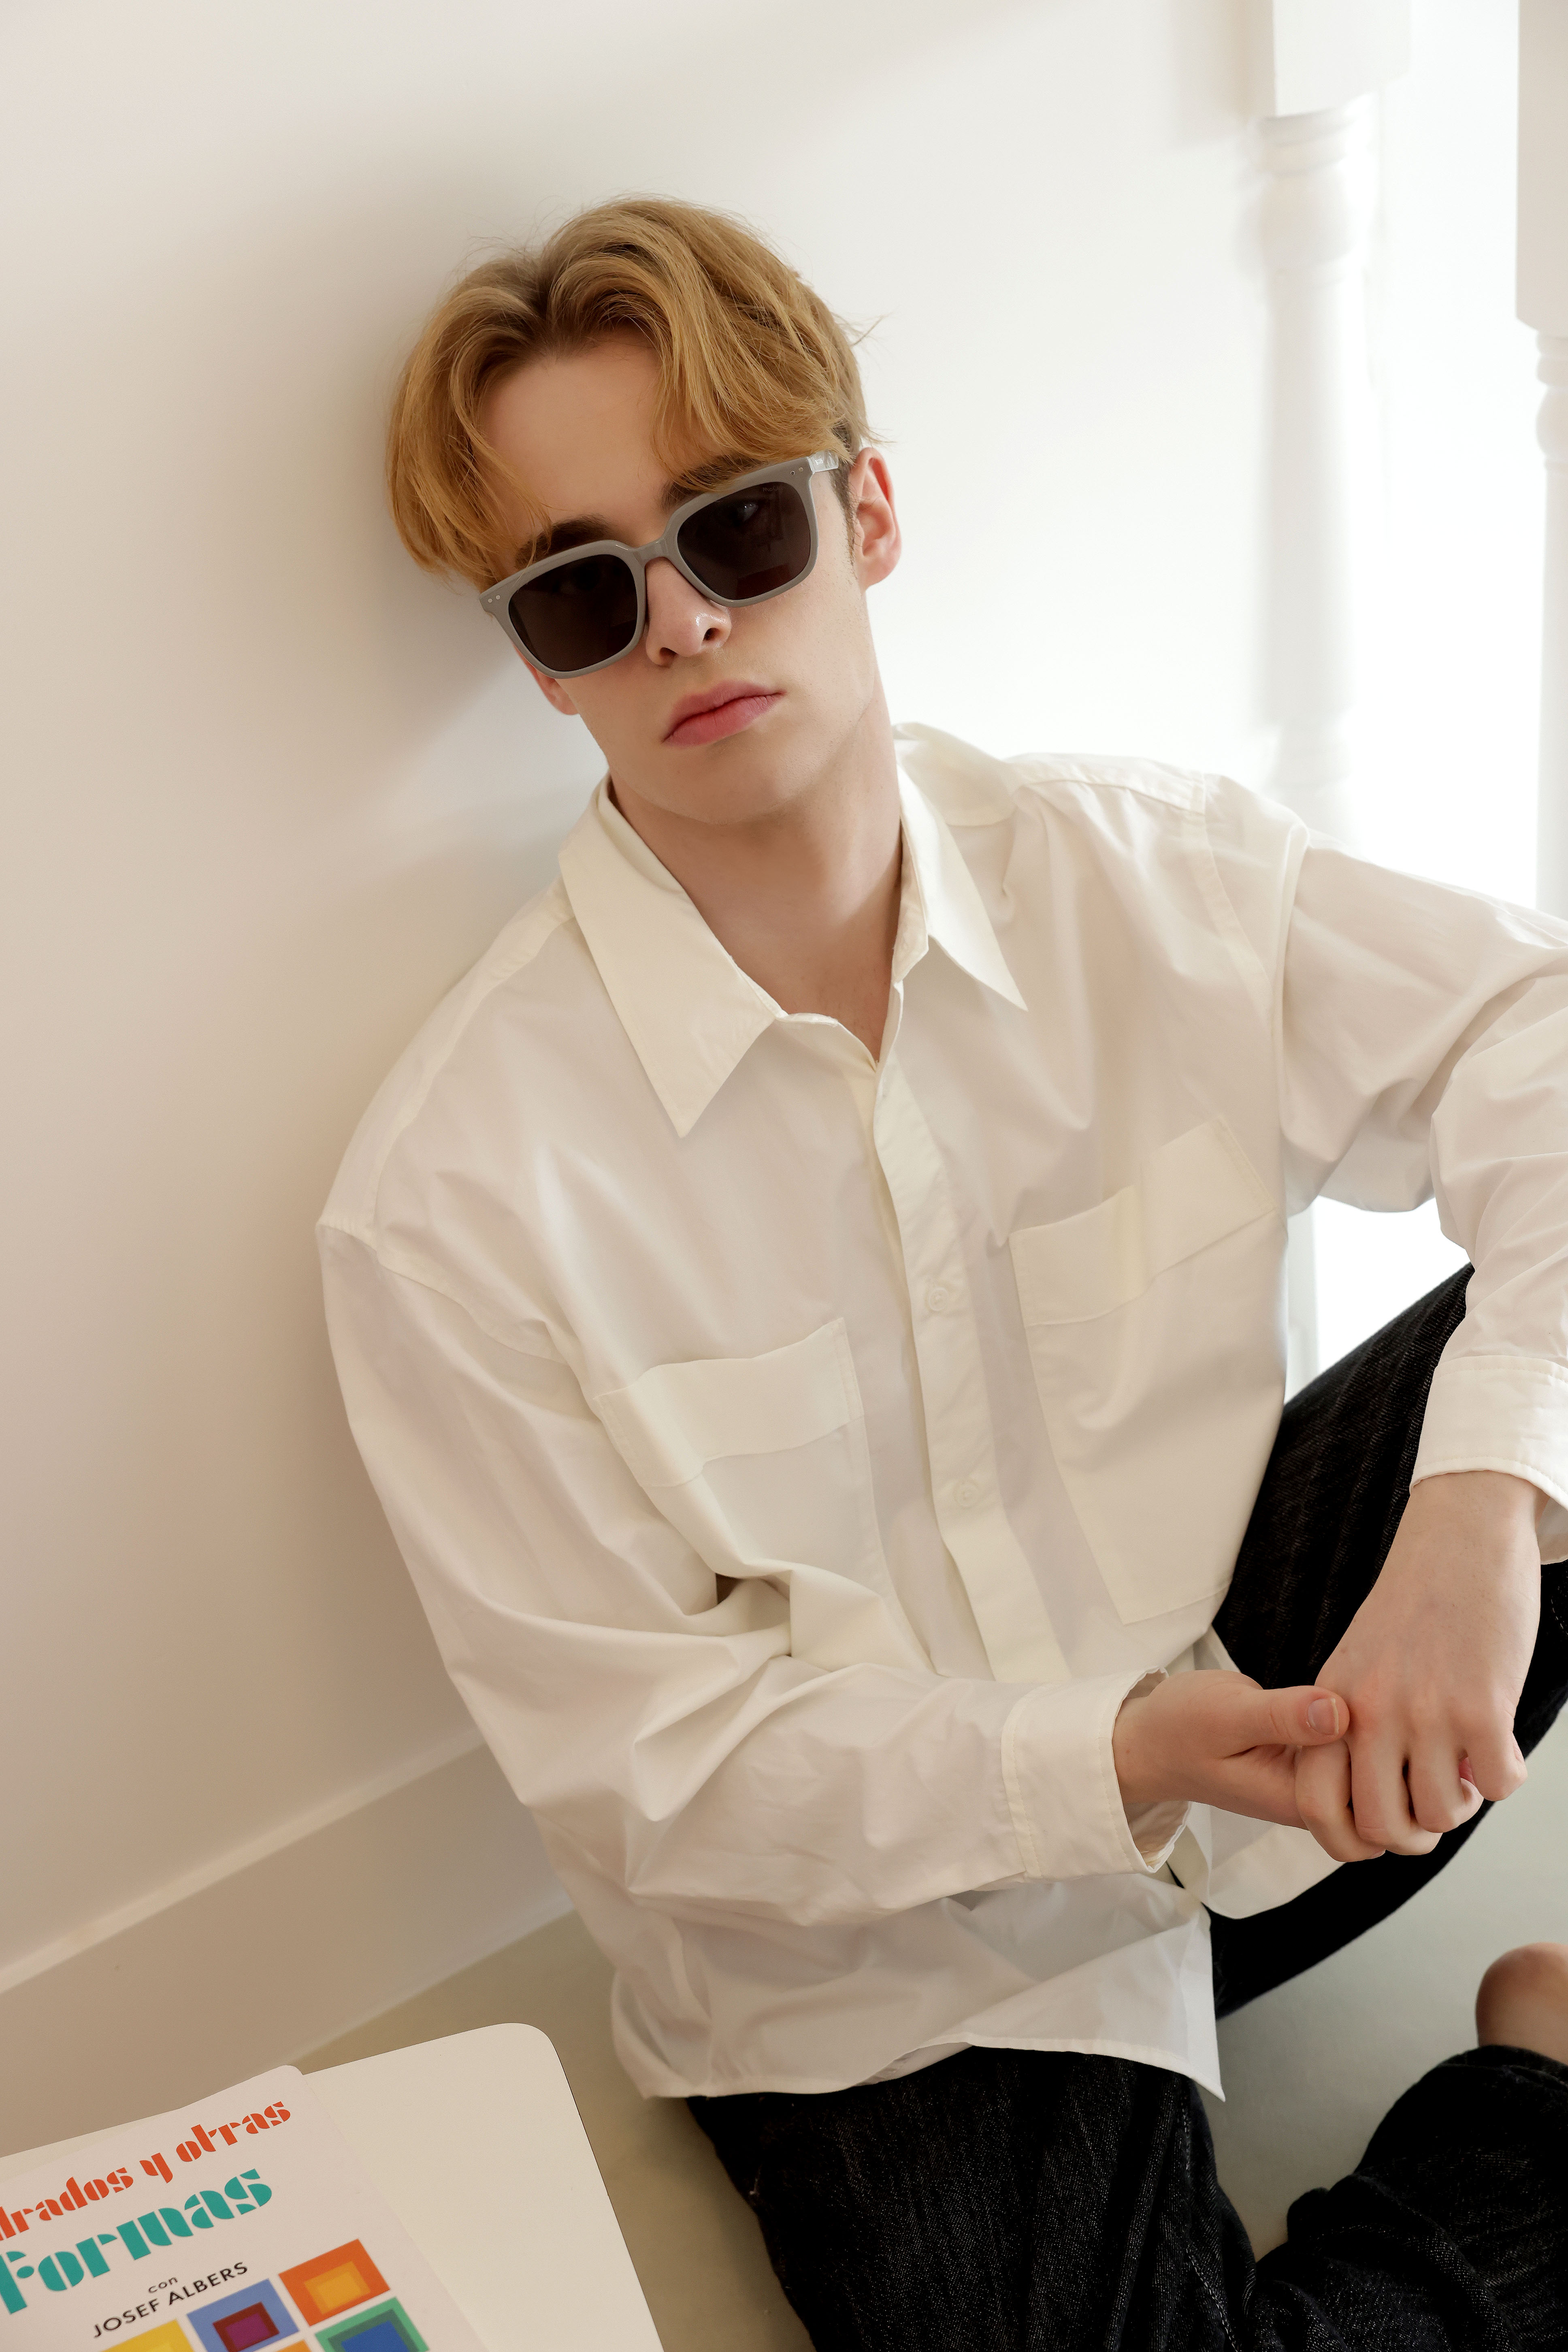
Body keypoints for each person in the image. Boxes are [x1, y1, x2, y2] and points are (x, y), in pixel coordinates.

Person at [319, 196, 1568, 2346]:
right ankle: (1537, 2112)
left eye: (736, 527)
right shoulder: (453, 1200)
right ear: (542, 661)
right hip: (880, 1964)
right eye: (589, 589)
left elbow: (1533, 1041)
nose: (685, 624)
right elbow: (664, 1776)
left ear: (866, 509)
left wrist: (1480, 1511)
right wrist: (1115, 1752)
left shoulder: (1146, 882)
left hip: (1290, 1730)